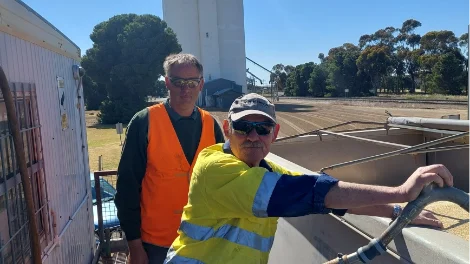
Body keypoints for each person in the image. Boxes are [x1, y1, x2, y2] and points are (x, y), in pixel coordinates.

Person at [164, 93, 451, 264]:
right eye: (244, 127)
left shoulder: (268, 172)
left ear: (275, 134)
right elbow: (310, 193)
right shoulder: (214, 167)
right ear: (227, 129)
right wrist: (400, 192)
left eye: (262, 129)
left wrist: (398, 212)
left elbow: (331, 198)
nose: (253, 136)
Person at [114, 53, 225, 264]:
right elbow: (127, 187)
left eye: (192, 82)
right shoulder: (144, 122)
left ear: (201, 84)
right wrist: (135, 246)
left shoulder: (211, 125)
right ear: (167, 83)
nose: (185, 89)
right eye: (178, 82)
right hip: (155, 246)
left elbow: (223, 180)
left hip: (202, 241)